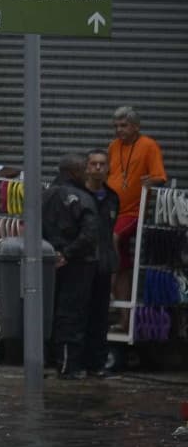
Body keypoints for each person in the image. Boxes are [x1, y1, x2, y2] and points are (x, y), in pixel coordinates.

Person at [107, 106, 166, 342]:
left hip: (132, 212)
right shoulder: (113, 146)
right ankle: (123, 319)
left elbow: (160, 177)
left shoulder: (149, 145)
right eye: (117, 126)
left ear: (136, 127)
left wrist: (148, 181)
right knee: (121, 268)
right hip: (111, 210)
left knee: (111, 241)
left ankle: (103, 282)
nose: (119, 130)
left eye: (124, 126)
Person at [44, 154, 100, 380]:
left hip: (47, 262)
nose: (88, 173)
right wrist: (67, 254)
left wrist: (52, 254)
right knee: (72, 314)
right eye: (85, 169)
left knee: (48, 311)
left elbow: (28, 227)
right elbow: (90, 234)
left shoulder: (43, 195)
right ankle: (68, 366)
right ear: (75, 172)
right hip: (78, 263)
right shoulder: (82, 197)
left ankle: (46, 360)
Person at [82, 148, 121, 378]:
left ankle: (97, 364)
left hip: (103, 265)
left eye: (102, 164)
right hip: (81, 264)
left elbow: (110, 233)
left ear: (108, 169)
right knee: (78, 314)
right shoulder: (77, 195)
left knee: (99, 316)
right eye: (93, 164)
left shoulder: (112, 197)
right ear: (87, 168)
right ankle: (76, 363)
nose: (97, 168)